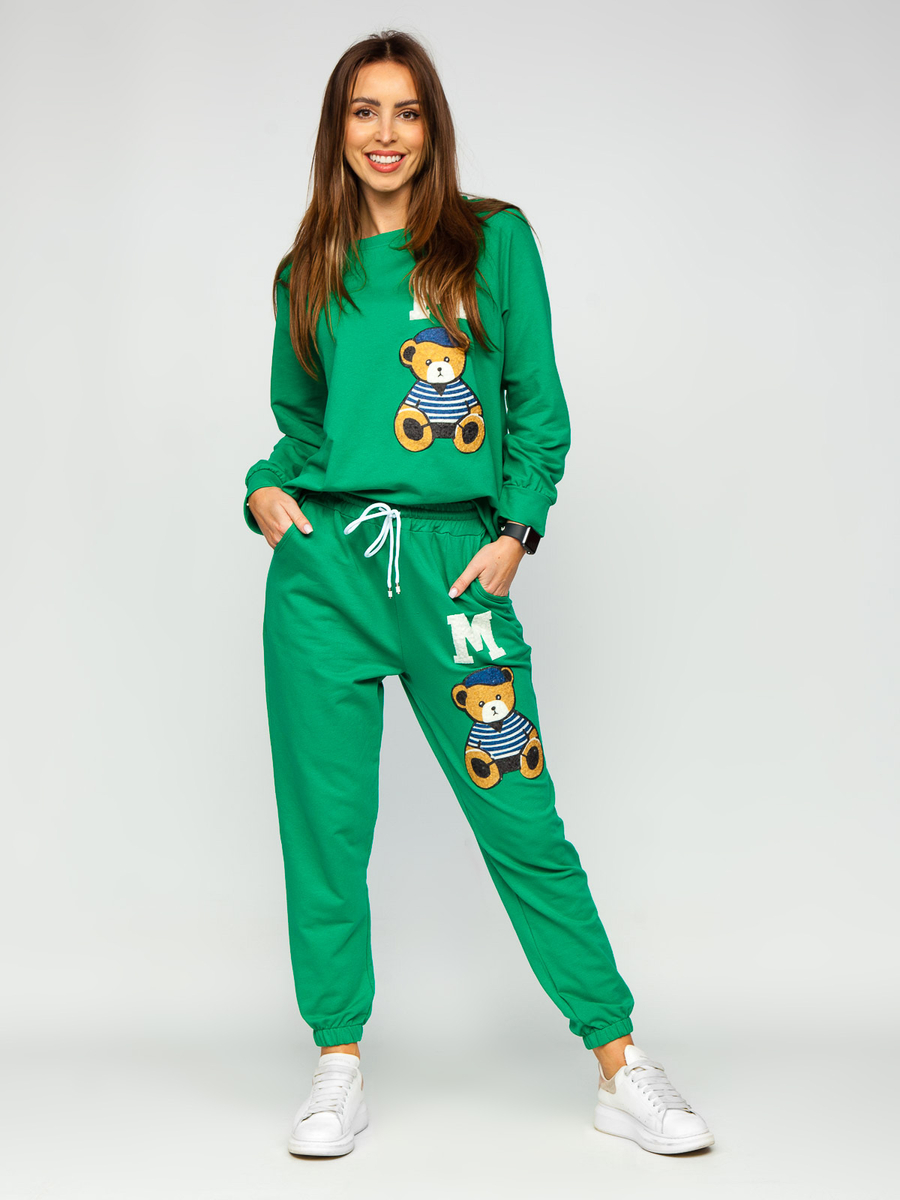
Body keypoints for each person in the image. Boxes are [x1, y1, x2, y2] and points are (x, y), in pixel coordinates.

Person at [243, 30, 715, 1159]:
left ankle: (620, 1062)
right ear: (338, 129)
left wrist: (515, 531)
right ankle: (338, 1061)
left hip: (456, 568)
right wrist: (262, 489)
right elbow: (300, 428)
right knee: (325, 828)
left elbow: (536, 406)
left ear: (433, 126)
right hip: (326, 573)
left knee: (521, 817)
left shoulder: (492, 242)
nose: (386, 134)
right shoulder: (307, 269)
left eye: (406, 112)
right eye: (364, 111)